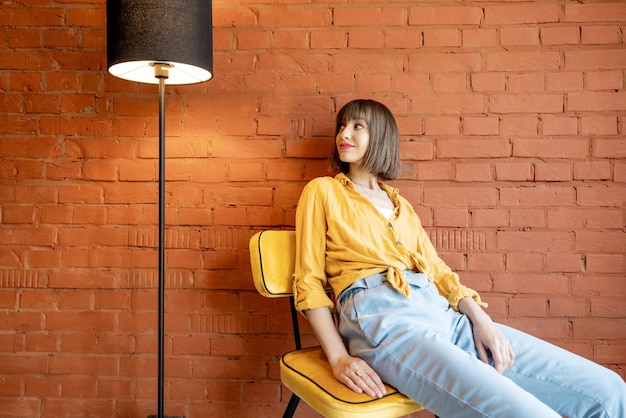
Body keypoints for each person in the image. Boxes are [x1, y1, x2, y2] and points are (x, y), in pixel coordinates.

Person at [293, 98, 626, 418]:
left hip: (443, 315)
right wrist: (337, 357)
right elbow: (308, 283)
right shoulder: (323, 191)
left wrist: (481, 321)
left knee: (609, 392)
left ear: (380, 136)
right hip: (383, 321)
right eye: (341, 126)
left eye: (357, 126)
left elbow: (438, 272)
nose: (343, 134)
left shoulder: (401, 206)